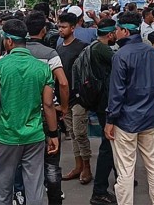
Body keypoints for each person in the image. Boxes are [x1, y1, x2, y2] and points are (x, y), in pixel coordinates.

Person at [0, 19, 59, 205]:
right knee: (35, 187)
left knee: (3, 187)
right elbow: (48, 105)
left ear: (8, 41)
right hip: (34, 135)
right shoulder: (42, 68)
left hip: (6, 136)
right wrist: (53, 134)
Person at [105, 12, 154, 205]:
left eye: (117, 29)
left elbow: (116, 93)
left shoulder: (120, 56)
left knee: (125, 170)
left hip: (125, 120)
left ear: (124, 31)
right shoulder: (152, 52)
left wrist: (110, 120)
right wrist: (152, 106)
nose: (115, 32)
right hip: (148, 117)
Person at [22, 11, 69, 205]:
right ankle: (54, 199)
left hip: (23, 115)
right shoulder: (50, 54)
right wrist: (64, 106)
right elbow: (63, 83)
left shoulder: (16, 52)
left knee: (27, 163)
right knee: (51, 162)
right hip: (46, 114)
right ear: (43, 30)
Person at [56, 12, 92, 184]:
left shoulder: (83, 47)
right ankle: (78, 166)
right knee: (72, 132)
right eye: (59, 26)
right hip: (65, 98)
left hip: (80, 97)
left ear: (73, 27)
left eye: (64, 27)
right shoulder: (58, 48)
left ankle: (87, 167)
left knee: (80, 133)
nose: (61, 30)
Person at [87, 18, 118, 205]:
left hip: (100, 101)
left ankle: (121, 176)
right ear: (110, 34)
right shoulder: (104, 50)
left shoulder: (93, 46)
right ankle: (99, 190)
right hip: (105, 103)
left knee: (112, 143)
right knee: (108, 146)